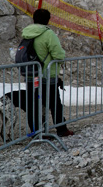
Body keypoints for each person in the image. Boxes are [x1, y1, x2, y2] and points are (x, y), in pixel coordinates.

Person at [22, 8, 74, 137]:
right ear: (48, 20)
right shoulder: (48, 34)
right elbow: (58, 54)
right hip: (46, 75)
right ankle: (61, 129)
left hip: (30, 75)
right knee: (55, 103)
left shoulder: (26, 32)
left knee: (33, 104)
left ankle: (35, 131)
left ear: (33, 19)